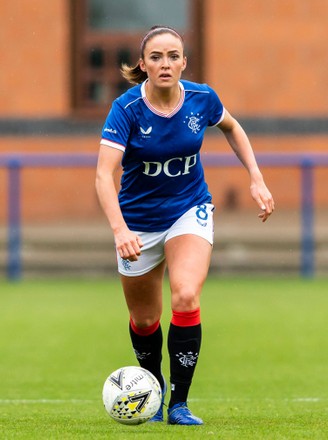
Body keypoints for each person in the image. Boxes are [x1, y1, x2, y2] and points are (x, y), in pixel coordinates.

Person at [95, 25, 274, 425]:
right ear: (143, 65)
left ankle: (178, 403)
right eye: (156, 57)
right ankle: (153, 389)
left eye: (173, 56)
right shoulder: (126, 109)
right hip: (138, 222)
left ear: (184, 62)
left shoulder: (201, 98)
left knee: (186, 295)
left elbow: (232, 126)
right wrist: (120, 230)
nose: (165, 64)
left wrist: (256, 177)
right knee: (144, 320)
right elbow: (103, 176)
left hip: (188, 210)